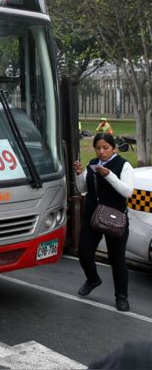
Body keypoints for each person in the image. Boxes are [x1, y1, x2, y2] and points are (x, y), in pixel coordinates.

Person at [74, 133, 135, 311]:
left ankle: (121, 297)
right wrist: (79, 174)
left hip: (115, 217)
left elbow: (128, 192)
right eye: (98, 148)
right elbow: (83, 189)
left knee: (117, 260)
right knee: (84, 253)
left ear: (113, 148)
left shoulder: (124, 165)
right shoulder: (92, 163)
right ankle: (93, 279)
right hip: (92, 215)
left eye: (105, 148)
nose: (101, 152)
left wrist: (109, 175)